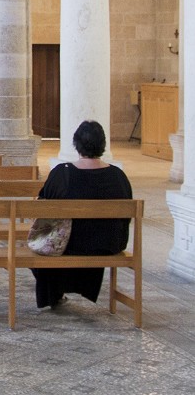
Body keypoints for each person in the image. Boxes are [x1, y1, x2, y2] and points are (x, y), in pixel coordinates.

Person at [32, 119, 132, 310]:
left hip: (69, 244)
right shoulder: (118, 176)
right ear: (103, 145)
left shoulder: (62, 173)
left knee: (47, 239)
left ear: (76, 145)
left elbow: (42, 210)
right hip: (108, 244)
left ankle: (53, 293)